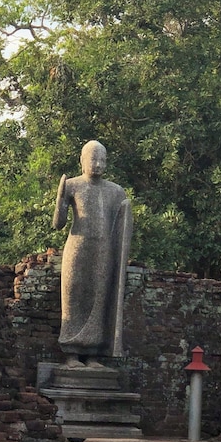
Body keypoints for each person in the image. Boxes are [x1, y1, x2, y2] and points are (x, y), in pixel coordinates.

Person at [53, 140, 132, 368]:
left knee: (99, 299)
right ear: (82, 161)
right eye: (92, 160)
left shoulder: (116, 192)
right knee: (74, 297)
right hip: (77, 248)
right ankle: (71, 354)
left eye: (102, 161)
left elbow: (122, 225)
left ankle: (94, 354)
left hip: (104, 251)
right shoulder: (73, 186)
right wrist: (60, 199)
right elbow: (58, 224)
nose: (97, 165)